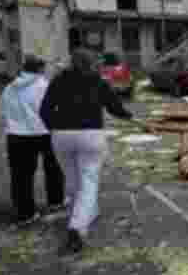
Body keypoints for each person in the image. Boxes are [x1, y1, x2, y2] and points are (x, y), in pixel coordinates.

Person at [40, 49, 136, 254]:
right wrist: (130, 117)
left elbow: (45, 110)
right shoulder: (98, 81)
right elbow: (114, 107)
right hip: (91, 134)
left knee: (73, 179)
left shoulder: (58, 81)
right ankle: (77, 228)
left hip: (62, 135)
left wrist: (54, 127)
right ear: (91, 63)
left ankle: (85, 213)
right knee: (89, 180)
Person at [0, 55, 65, 226]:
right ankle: (55, 202)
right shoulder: (44, 86)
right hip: (45, 133)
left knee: (21, 175)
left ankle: (25, 213)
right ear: (41, 69)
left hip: (16, 135)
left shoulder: (9, 88)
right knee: (53, 169)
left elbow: (2, 110)